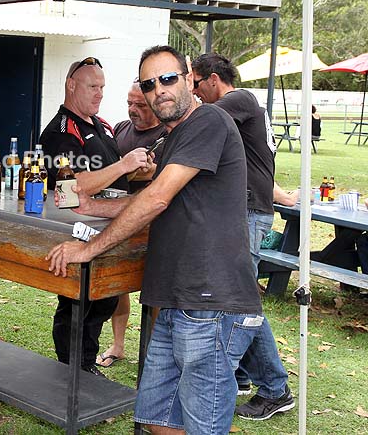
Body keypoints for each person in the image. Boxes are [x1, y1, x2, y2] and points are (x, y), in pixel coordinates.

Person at [47, 45, 263, 435]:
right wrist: (93, 207)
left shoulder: (209, 120)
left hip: (210, 302)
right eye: (149, 84)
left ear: (190, 79)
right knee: (156, 420)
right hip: (176, 299)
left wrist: (89, 249)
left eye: (167, 78)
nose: (158, 90)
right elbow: (154, 197)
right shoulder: (174, 136)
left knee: (202, 427)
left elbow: (158, 197)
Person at [191, 52, 295, 421]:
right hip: (245, 210)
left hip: (249, 212)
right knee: (234, 298)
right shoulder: (243, 109)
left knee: (242, 303)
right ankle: (242, 374)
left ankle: (275, 388)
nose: (194, 91)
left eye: (195, 83)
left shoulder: (238, 99)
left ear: (213, 79)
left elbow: (197, 120)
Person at [38, 57, 150, 376]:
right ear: (71, 85)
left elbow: (114, 176)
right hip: (79, 229)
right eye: (92, 86)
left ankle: (86, 363)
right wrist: (124, 165)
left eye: (102, 87)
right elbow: (71, 186)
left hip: (112, 226)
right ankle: (73, 369)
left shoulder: (102, 125)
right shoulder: (61, 131)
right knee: (78, 300)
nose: (100, 93)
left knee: (105, 297)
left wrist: (144, 170)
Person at [96, 81, 166, 368]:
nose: (133, 110)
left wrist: (143, 173)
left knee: (154, 290)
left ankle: (153, 355)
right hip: (120, 220)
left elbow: (165, 178)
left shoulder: (168, 134)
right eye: (129, 103)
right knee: (118, 285)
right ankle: (118, 345)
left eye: (140, 105)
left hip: (154, 224)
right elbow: (112, 171)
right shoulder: (121, 129)